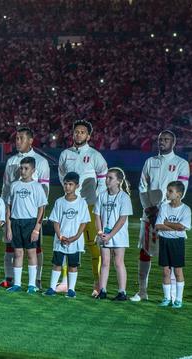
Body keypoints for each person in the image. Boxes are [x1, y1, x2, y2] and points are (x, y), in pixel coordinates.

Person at [131, 130, 190, 302]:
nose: (162, 142)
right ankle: (142, 291)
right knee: (145, 251)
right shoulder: (150, 162)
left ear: (174, 143)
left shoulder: (181, 163)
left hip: (170, 216)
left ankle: (171, 296)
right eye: (160, 139)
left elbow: (181, 190)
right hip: (149, 213)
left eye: (166, 139)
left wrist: (163, 209)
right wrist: (149, 208)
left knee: (171, 254)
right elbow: (142, 185)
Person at [58, 120, 108, 297]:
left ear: (88, 136)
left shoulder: (95, 155)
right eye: (76, 131)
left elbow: (103, 177)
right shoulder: (65, 154)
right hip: (70, 204)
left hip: (89, 205)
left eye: (82, 132)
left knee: (93, 245)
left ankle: (98, 283)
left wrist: (97, 196)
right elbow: (62, 176)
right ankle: (64, 282)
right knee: (65, 241)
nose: (78, 134)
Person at [0, 127, 50, 289]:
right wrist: (2, 212)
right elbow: (6, 187)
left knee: (34, 248)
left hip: (31, 217)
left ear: (30, 140)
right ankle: (10, 278)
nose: (18, 141)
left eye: (21, 138)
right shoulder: (11, 161)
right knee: (11, 246)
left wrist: (38, 221)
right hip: (13, 215)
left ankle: (36, 280)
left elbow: (44, 191)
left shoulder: (41, 162)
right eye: (16, 138)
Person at [5, 157, 47, 293]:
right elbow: (9, 207)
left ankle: (31, 285)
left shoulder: (37, 187)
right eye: (21, 168)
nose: (23, 171)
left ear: (33, 170)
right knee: (17, 254)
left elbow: (42, 208)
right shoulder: (14, 185)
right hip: (16, 222)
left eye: (26, 168)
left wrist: (37, 229)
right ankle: (17, 284)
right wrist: (9, 227)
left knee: (31, 254)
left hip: (30, 223)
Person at [45, 172, 90, 298]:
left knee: (73, 265)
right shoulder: (59, 202)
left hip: (75, 241)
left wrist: (75, 237)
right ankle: (52, 288)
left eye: (70, 184)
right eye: (65, 184)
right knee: (57, 263)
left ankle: (71, 290)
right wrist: (60, 236)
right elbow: (56, 221)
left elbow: (83, 222)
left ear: (77, 186)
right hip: (61, 239)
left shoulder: (82, 203)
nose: (67, 187)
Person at [94, 168, 133, 301]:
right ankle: (102, 290)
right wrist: (100, 232)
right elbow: (97, 215)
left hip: (118, 235)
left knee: (118, 262)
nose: (107, 180)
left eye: (110, 178)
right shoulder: (102, 195)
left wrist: (110, 235)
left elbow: (122, 219)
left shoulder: (124, 197)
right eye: (106, 177)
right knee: (105, 262)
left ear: (119, 181)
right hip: (104, 234)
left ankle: (122, 292)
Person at [155, 181, 191, 308]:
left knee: (178, 271)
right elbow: (158, 225)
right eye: (167, 190)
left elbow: (183, 226)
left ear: (179, 194)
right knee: (165, 271)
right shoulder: (164, 207)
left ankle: (178, 299)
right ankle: (166, 298)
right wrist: (175, 228)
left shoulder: (186, 209)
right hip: (164, 241)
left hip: (177, 242)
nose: (167, 193)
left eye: (170, 191)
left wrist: (167, 223)